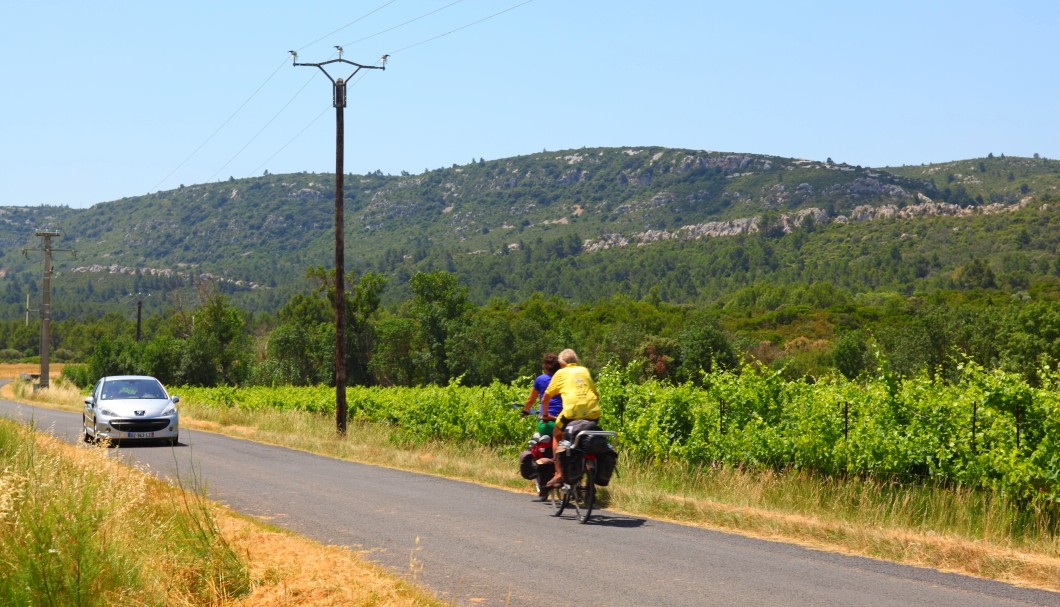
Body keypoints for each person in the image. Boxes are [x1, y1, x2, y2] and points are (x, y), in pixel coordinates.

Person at [542, 348, 601, 487]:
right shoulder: (584, 370)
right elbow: (596, 395)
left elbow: (545, 398)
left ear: (562, 363)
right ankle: (588, 469)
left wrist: (544, 415)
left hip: (571, 413)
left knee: (557, 434)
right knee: (587, 439)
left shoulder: (561, 373)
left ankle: (558, 474)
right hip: (593, 413)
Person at [521, 352, 562, 436]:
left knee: (537, 439)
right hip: (563, 421)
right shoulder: (564, 379)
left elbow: (530, 400)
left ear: (545, 367)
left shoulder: (540, 379)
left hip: (546, 423)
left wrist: (525, 411)